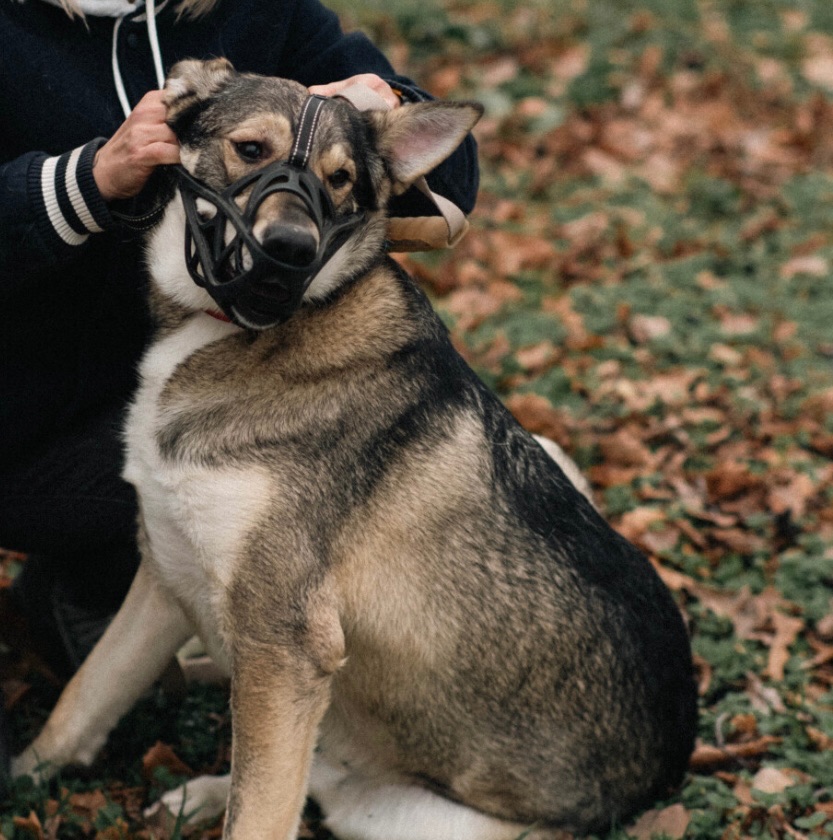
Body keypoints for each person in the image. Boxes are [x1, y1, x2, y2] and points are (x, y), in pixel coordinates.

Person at [0, 0, 479, 680]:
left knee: (346, 441)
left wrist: (372, 108)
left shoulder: (257, 9)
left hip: (139, 398)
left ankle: (83, 589)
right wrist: (86, 182)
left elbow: (450, 178)